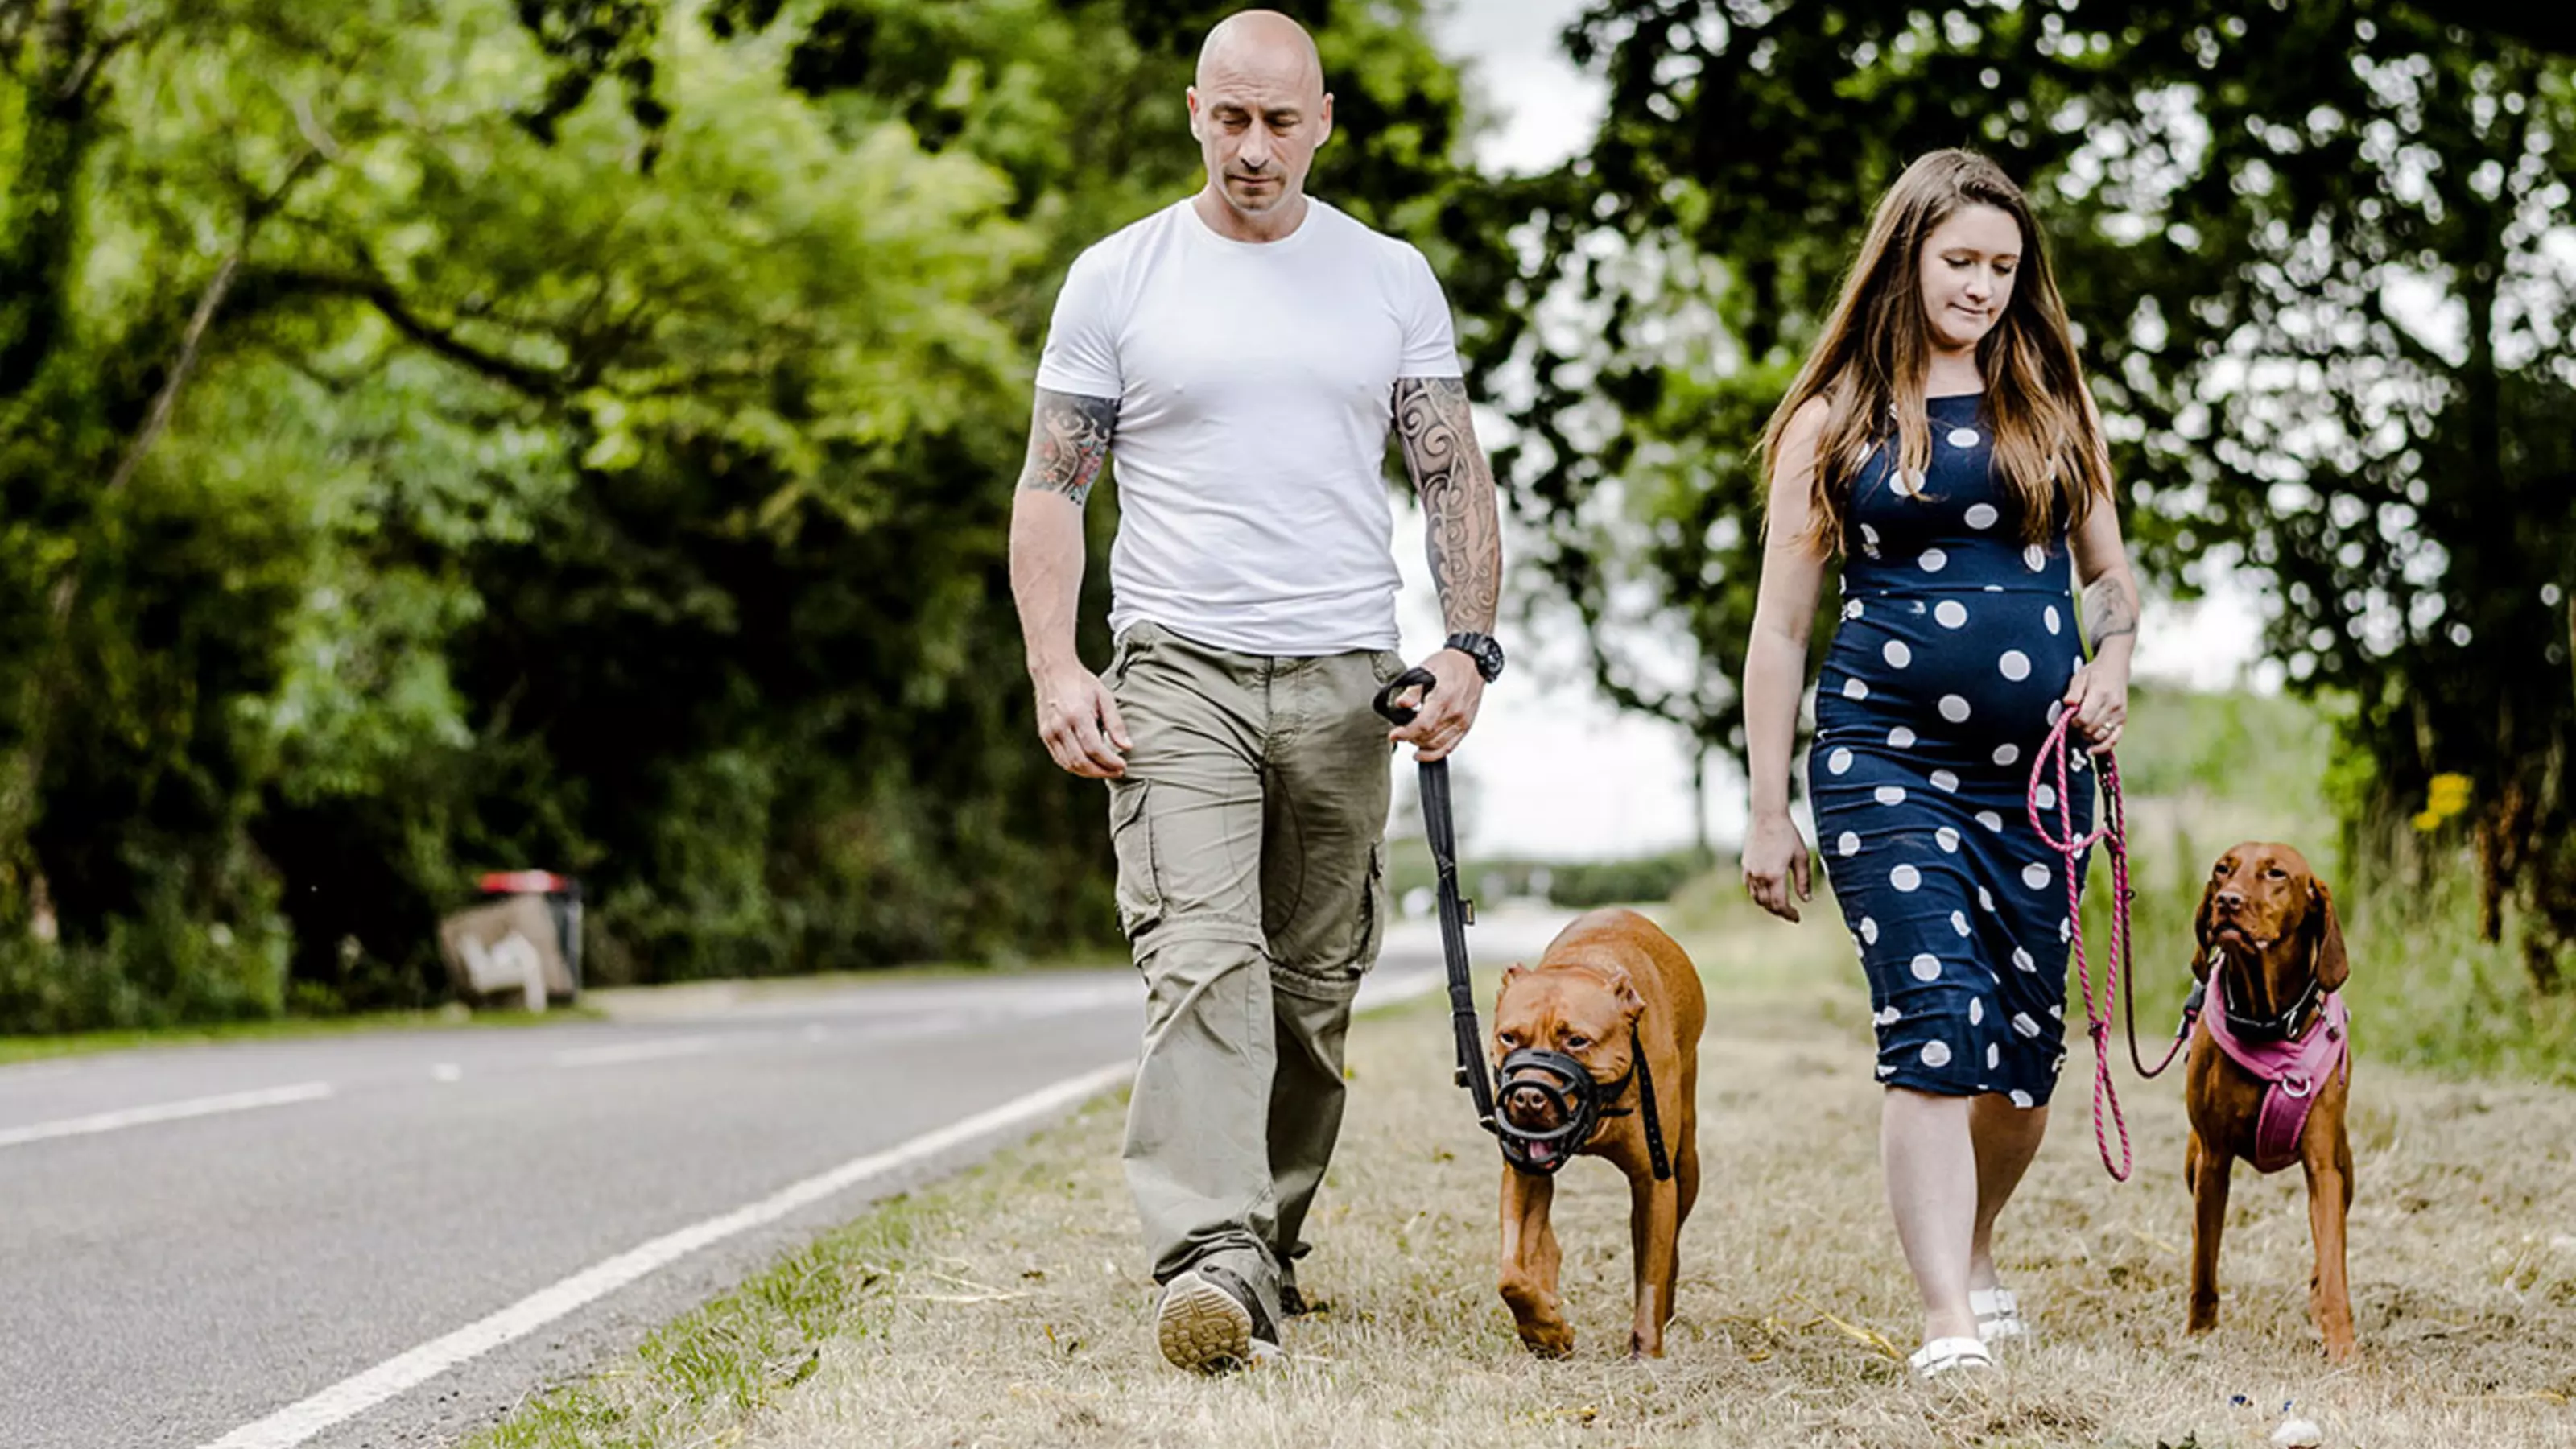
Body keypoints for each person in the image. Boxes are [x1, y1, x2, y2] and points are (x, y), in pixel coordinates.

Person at [1006, 8, 1505, 1374]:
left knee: (1312, 985)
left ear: (1322, 122)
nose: (1253, 147)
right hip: (1176, 667)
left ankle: (1265, 1248)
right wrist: (1058, 665)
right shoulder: (1120, 277)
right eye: (1229, 117)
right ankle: (1208, 1250)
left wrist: (1467, 645)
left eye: (1280, 120)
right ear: (1193, 113)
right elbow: (1055, 483)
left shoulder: (1389, 278)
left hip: (1350, 675)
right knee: (1200, 960)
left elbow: (1451, 469)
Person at [1738, 149, 2140, 1380]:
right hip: (1881, 765)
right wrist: (1767, 811)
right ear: (1906, 257)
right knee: (1934, 1026)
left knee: (2022, 1059)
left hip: (2037, 780)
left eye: (2004, 268)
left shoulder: (2054, 405)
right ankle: (1946, 1325)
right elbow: (1781, 630)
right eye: (1959, 261)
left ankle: (1970, 1249)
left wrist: (2114, 661)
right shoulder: (1836, 420)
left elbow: (2110, 581)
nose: (1981, 287)